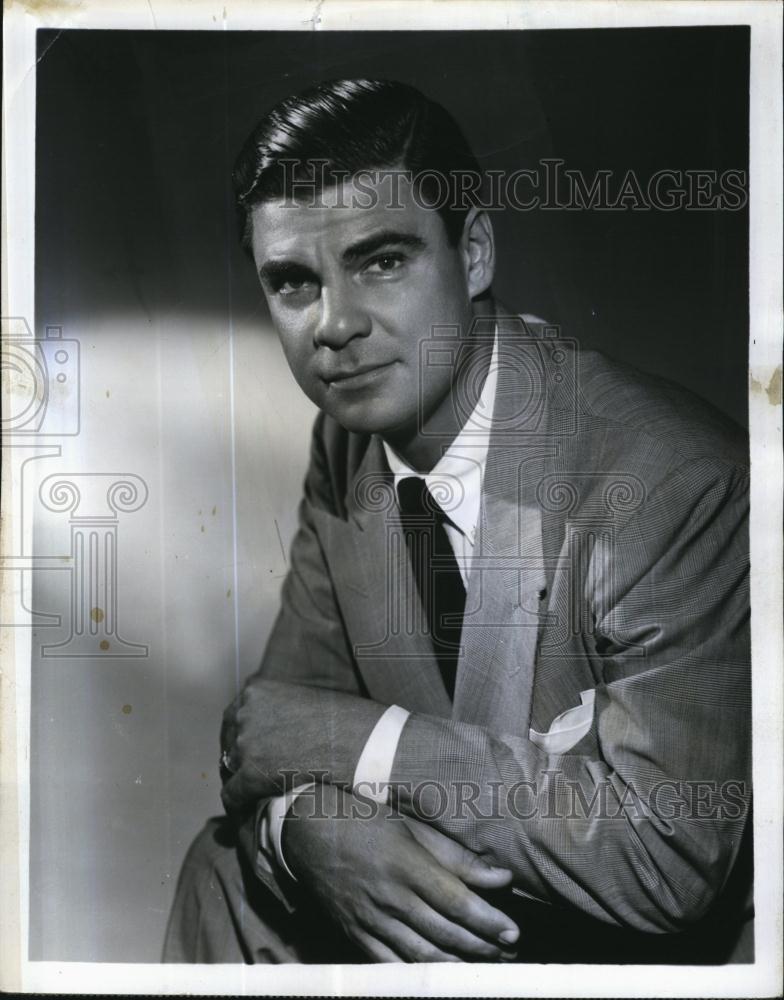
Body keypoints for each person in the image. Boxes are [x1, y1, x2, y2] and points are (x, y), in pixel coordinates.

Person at [164, 79, 752, 965]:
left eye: (381, 261)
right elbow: (277, 739)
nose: (334, 325)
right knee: (219, 872)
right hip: (460, 903)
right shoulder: (347, 447)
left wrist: (364, 744)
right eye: (293, 282)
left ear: (474, 252)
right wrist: (312, 831)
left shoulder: (666, 474)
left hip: (635, 951)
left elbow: (670, 855)